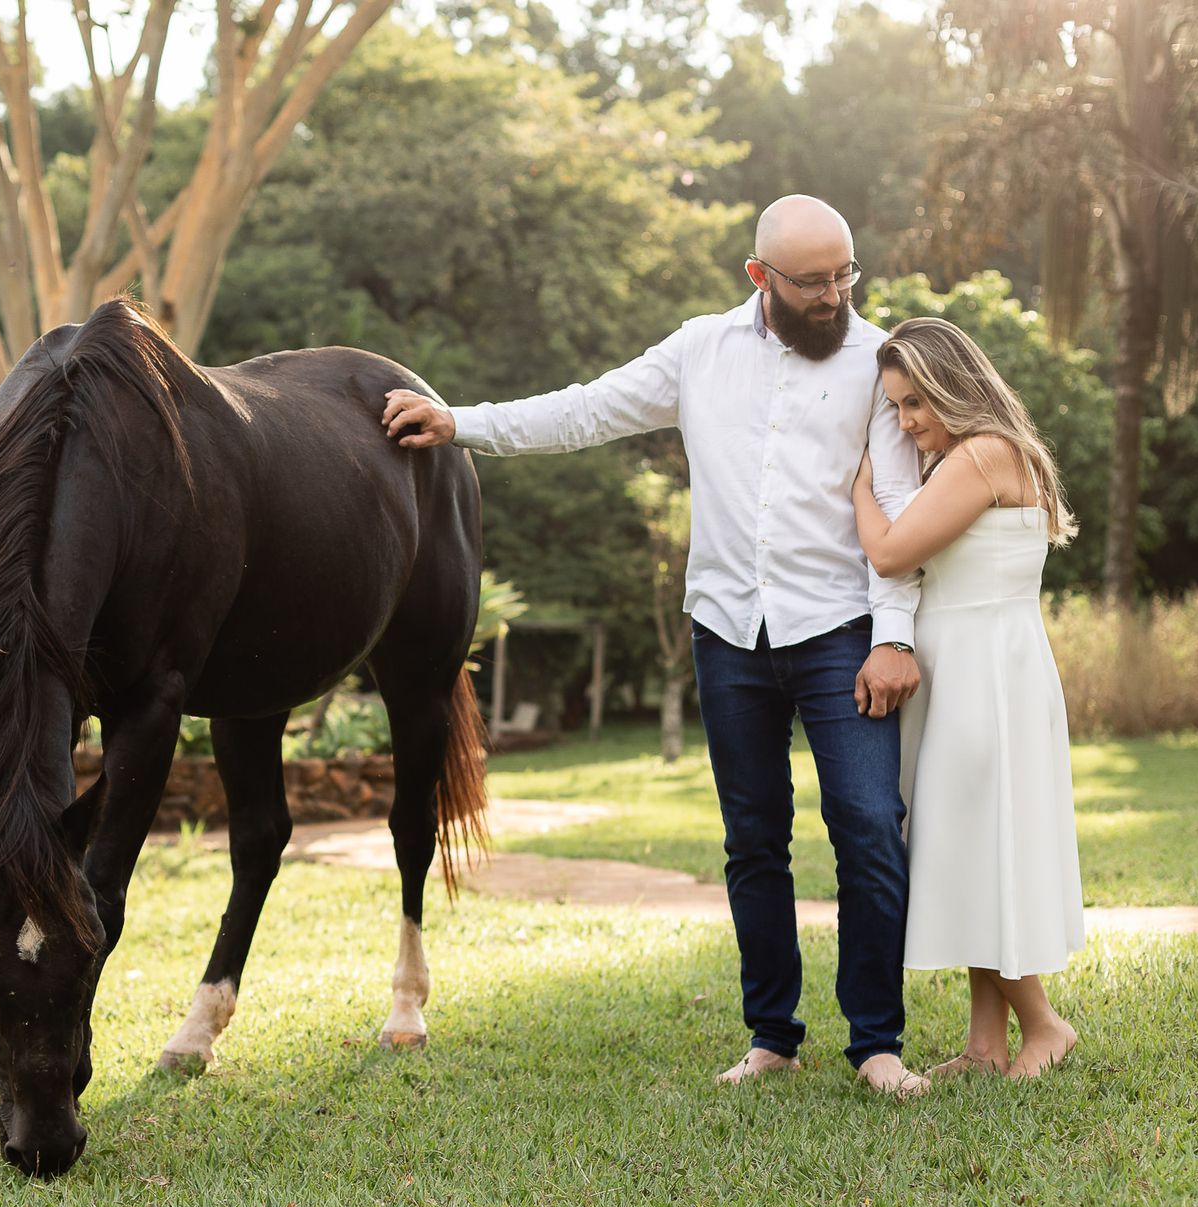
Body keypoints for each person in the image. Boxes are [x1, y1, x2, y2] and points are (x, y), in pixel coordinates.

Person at [383, 195, 932, 1096]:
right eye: (813, 282)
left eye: (845, 275)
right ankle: (772, 1037)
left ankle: (876, 1043)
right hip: (727, 631)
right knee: (754, 839)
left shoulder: (876, 364)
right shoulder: (698, 351)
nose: (835, 296)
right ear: (761, 277)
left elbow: (900, 504)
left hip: (844, 633)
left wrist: (895, 637)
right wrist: (460, 421)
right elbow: (585, 411)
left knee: (870, 827)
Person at [851, 315, 1084, 1079]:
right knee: (976, 844)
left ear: (956, 383)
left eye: (917, 401)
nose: (909, 421)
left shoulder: (984, 455)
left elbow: (888, 551)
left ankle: (1044, 1025)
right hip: (971, 665)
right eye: (897, 408)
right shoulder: (976, 456)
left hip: (986, 673)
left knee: (983, 843)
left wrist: (857, 485)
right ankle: (985, 1043)